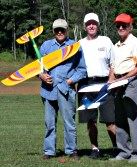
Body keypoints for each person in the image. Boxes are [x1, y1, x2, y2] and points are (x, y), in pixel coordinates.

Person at [39, 18, 87, 160]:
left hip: (66, 89)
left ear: (67, 30)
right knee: (49, 122)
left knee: (69, 122)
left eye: (62, 29)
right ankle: (49, 151)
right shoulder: (46, 46)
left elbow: (82, 70)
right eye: (57, 30)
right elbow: (38, 67)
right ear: (53, 31)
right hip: (48, 91)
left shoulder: (75, 46)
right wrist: (41, 75)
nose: (60, 32)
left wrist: (70, 80)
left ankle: (72, 151)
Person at [78, 13, 116, 159]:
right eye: (88, 23)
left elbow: (113, 63)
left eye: (94, 23)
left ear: (98, 25)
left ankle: (117, 148)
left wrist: (110, 81)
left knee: (110, 120)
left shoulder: (106, 41)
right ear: (85, 26)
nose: (91, 26)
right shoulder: (79, 43)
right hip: (85, 86)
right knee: (90, 120)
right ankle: (95, 149)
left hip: (104, 84)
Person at [108, 13, 137, 162]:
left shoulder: (135, 43)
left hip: (131, 82)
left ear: (130, 27)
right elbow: (113, 67)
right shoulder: (116, 46)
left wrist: (123, 79)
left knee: (133, 119)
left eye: (124, 25)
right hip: (118, 83)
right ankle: (124, 152)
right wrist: (110, 81)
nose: (121, 27)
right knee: (119, 119)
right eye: (118, 25)